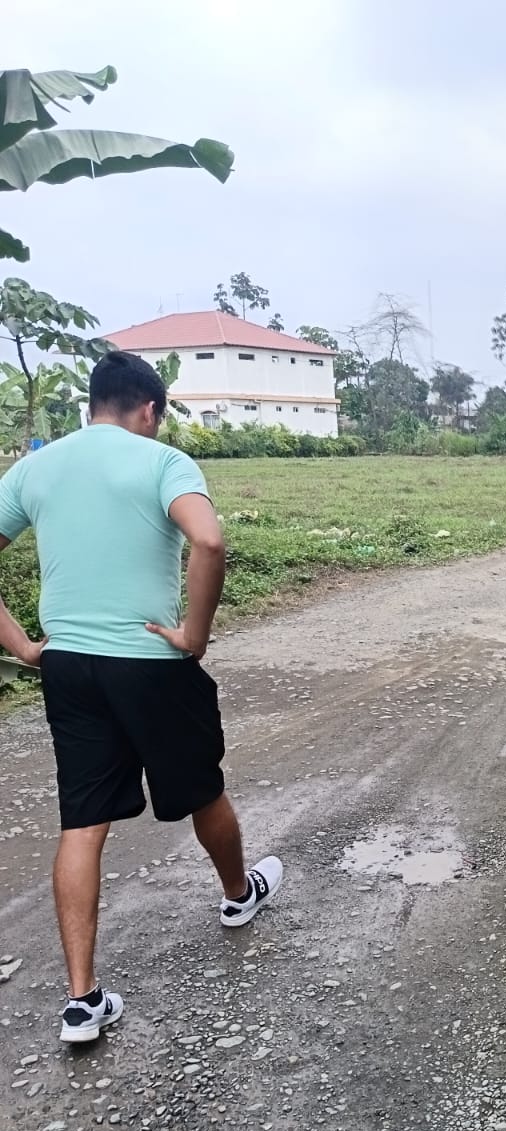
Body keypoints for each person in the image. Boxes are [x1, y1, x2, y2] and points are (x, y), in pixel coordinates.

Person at [0, 351, 282, 1043]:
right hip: (151, 661)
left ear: (92, 404)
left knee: (82, 822)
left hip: (69, 666)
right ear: (150, 409)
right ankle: (237, 896)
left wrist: (25, 646)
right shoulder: (163, 463)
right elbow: (209, 541)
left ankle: (81, 1001)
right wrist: (194, 636)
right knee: (202, 789)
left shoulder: (34, 468)